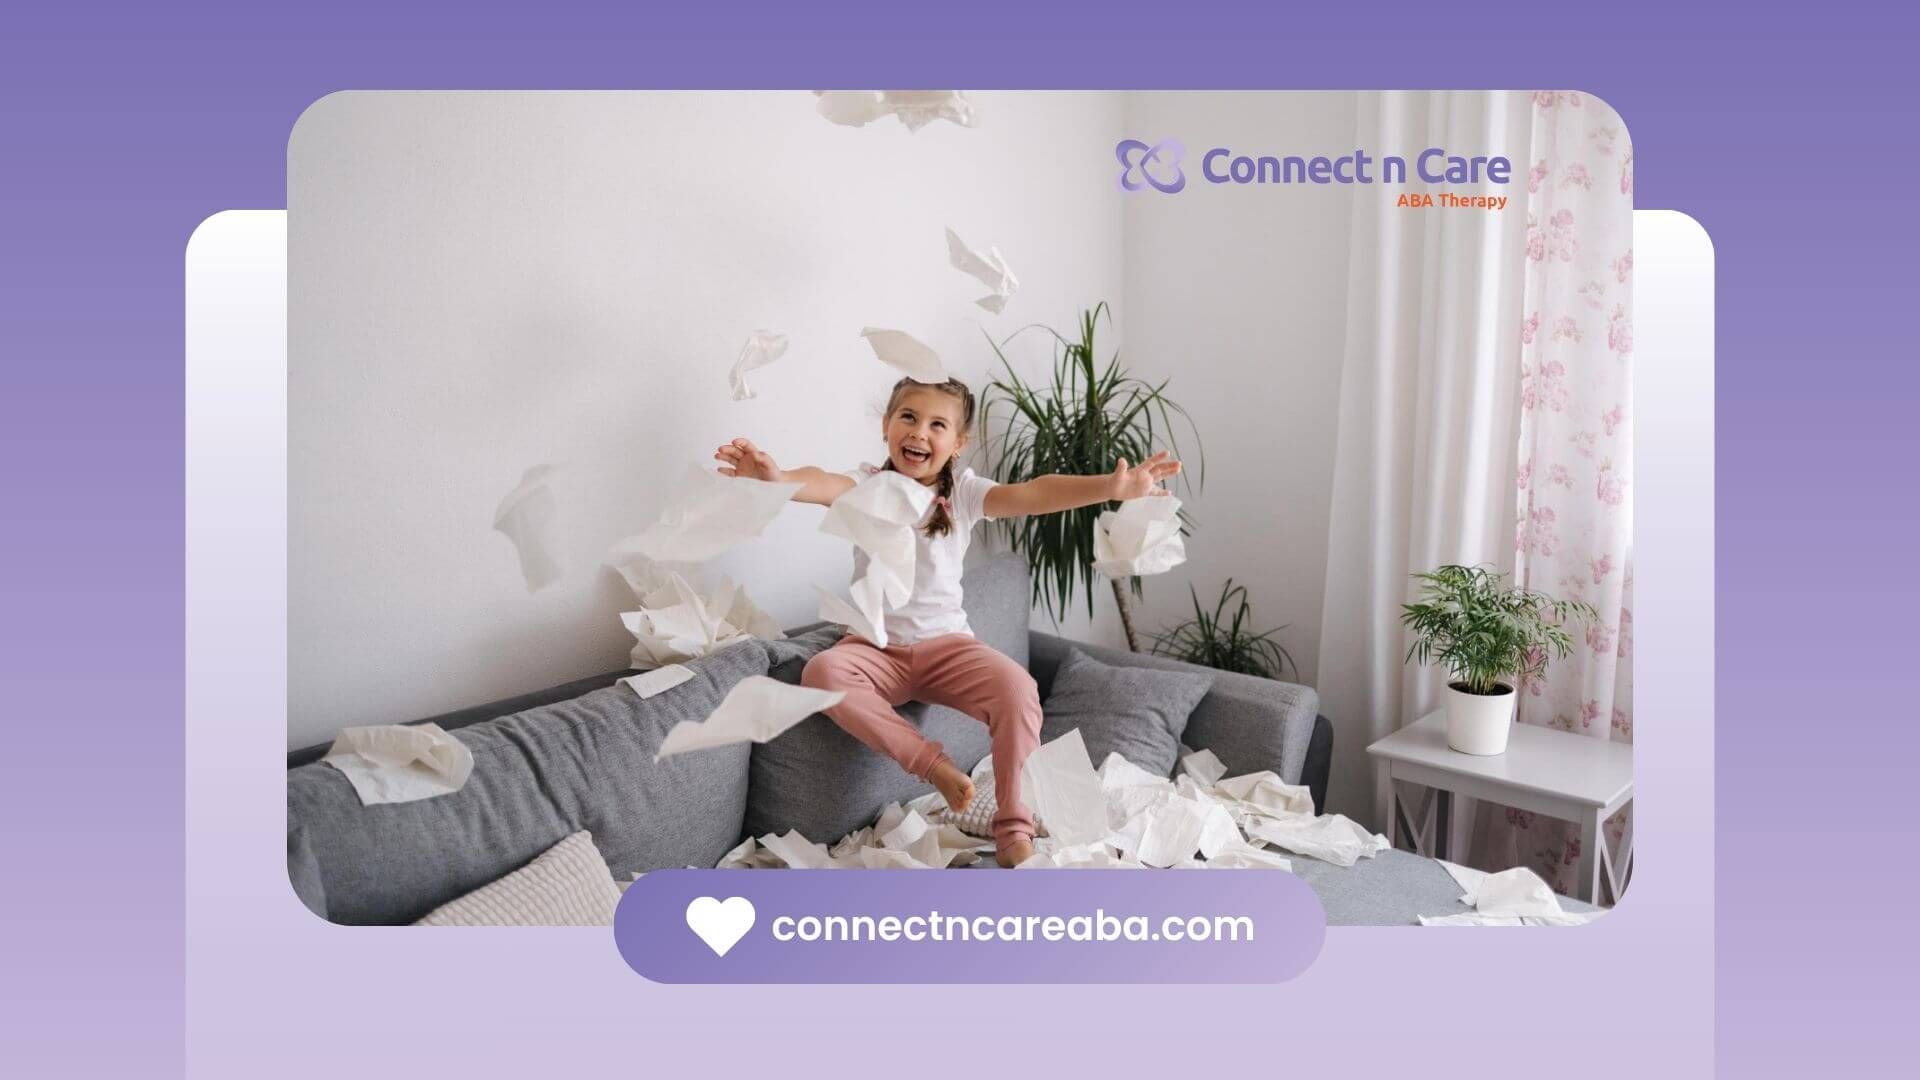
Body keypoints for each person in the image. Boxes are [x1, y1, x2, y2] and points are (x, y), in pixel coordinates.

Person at [715, 376, 1180, 866]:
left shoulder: (963, 494)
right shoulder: (869, 486)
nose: (920, 432)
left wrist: (1111, 487)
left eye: (938, 424)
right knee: (821, 674)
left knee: (1019, 690)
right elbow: (822, 482)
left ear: (958, 443)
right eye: (909, 418)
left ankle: (1014, 830)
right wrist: (777, 479)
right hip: (874, 650)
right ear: (886, 426)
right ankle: (934, 766)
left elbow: (1035, 493)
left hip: (947, 649)